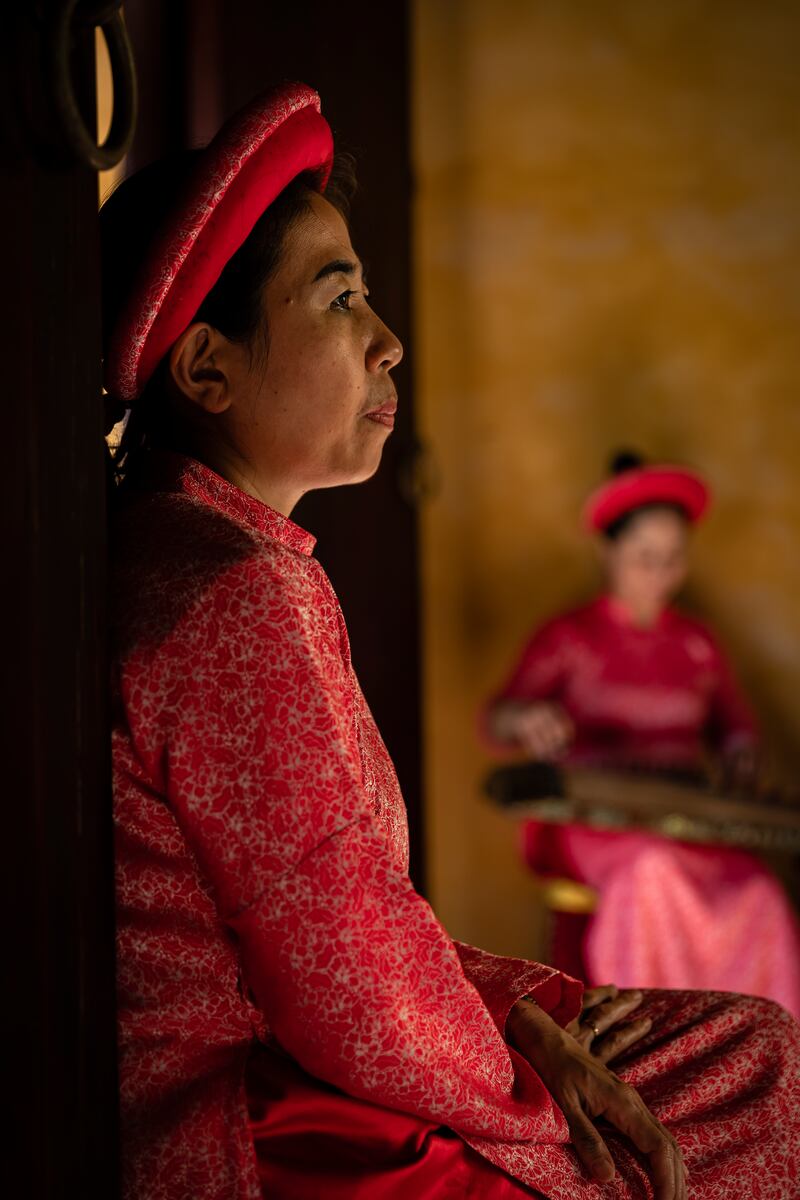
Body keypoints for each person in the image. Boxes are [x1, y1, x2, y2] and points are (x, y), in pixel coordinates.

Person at [103, 85, 799, 1200]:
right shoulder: (223, 595)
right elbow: (341, 979)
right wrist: (529, 1107)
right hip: (239, 1124)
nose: (388, 342)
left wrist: (524, 1013)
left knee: (753, 1054)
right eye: (338, 301)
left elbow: (352, 927)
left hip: (298, 1057)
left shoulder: (220, 553)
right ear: (207, 369)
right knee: (754, 1090)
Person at [485, 453, 800, 1018]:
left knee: (759, 892)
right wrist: (527, 718)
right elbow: (498, 718)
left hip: (684, 815)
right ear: (609, 551)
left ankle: (750, 1055)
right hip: (593, 821)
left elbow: (737, 726)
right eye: (645, 558)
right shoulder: (571, 637)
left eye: (674, 558)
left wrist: (740, 753)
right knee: (651, 872)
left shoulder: (696, 643)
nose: (661, 573)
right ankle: (655, 1047)